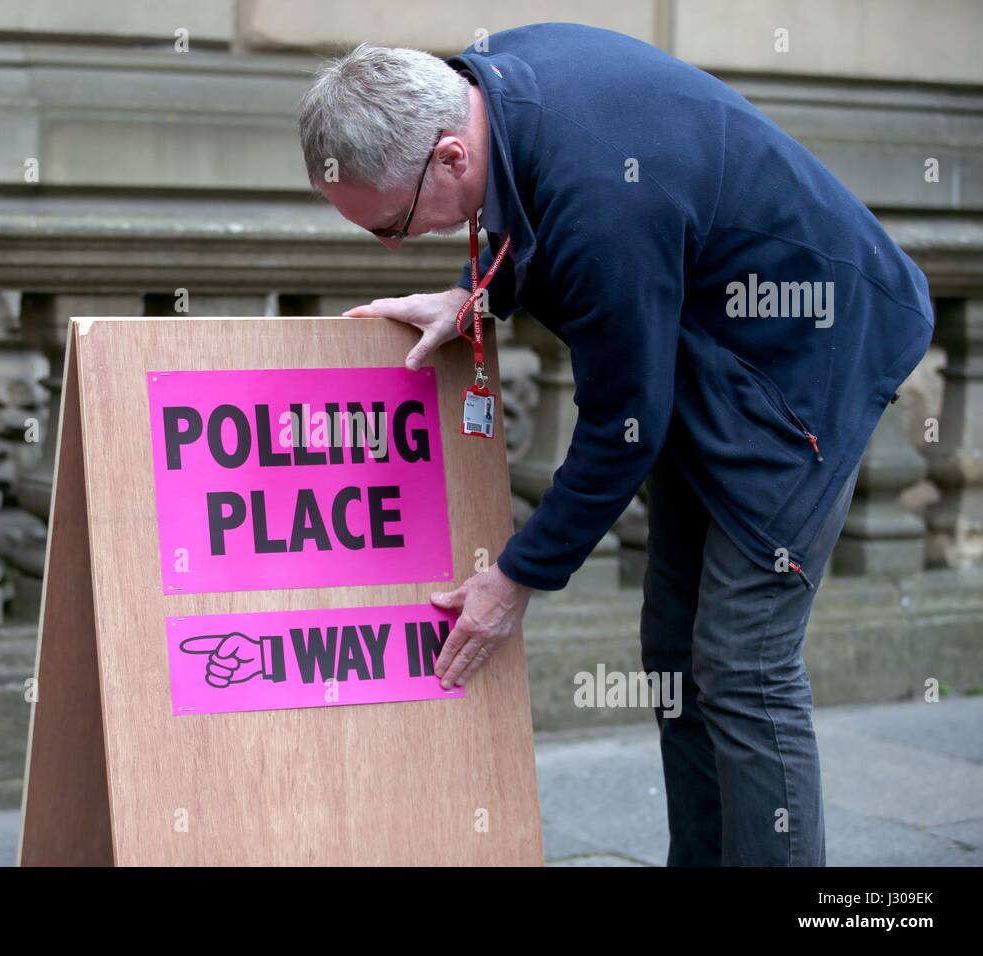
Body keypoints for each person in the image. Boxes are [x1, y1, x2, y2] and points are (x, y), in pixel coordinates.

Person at [298, 23, 934, 866]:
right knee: (675, 649)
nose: (393, 244)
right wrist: (472, 296)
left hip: (807, 365)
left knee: (742, 664)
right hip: (703, 352)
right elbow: (527, 210)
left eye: (395, 225)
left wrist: (517, 576)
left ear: (452, 156)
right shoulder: (498, 79)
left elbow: (620, 427)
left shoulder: (605, 199)